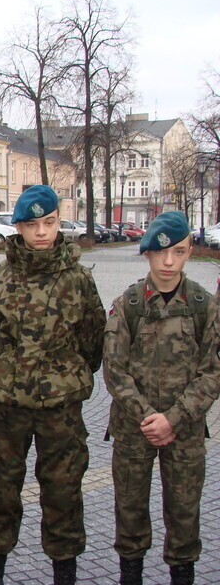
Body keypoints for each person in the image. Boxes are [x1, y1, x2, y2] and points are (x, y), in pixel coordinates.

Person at [0, 185, 106, 585]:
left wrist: (65, 374)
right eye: (32, 225)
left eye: (48, 223)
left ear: (59, 223)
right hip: (8, 405)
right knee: (1, 488)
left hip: (61, 407)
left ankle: (65, 573)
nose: (41, 232)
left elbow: (93, 338)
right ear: (18, 228)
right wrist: (7, 371)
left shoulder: (79, 280)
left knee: (64, 491)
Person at [103, 211, 220, 585]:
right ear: (147, 254)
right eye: (160, 253)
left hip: (184, 432)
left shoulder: (204, 305)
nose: (169, 262)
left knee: (185, 515)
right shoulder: (129, 305)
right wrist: (148, 417)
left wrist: (174, 418)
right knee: (130, 513)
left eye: (179, 252)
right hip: (134, 429)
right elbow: (114, 369)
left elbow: (213, 370)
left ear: (189, 252)